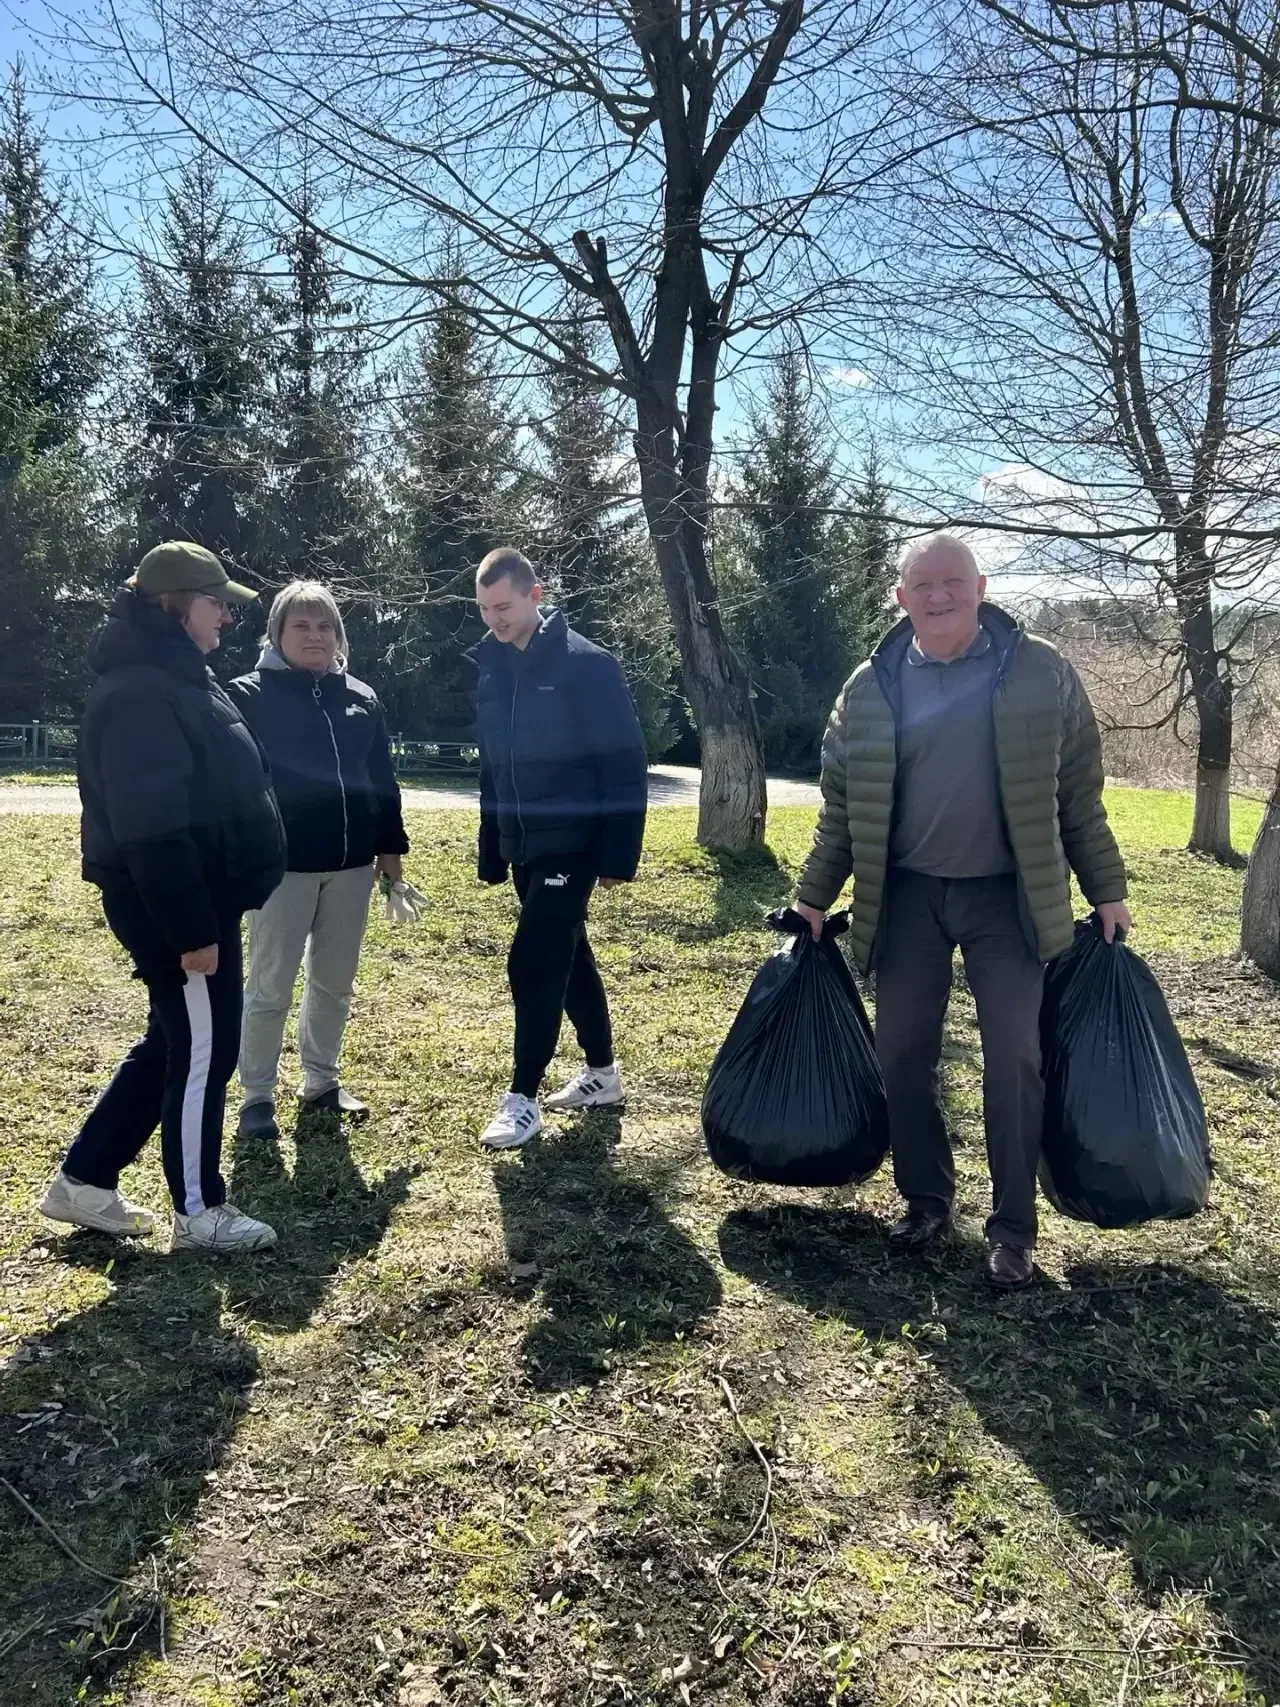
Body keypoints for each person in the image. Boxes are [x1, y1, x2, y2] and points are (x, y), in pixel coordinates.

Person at [795, 533, 1131, 1289]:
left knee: (1014, 1057)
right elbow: (841, 810)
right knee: (901, 1053)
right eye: (923, 584)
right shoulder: (870, 686)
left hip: (1008, 897)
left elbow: (1079, 795)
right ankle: (926, 1200)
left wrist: (1106, 888)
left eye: (953, 581)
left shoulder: (1041, 670)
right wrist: (813, 897)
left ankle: (1012, 1229)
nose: (939, 595)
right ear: (901, 597)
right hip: (907, 895)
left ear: (980, 587)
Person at [39, 542, 286, 1253]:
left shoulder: (177, 676)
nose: (226, 619)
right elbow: (152, 828)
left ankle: (85, 1181)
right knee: (205, 1048)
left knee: (175, 1040)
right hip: (180, 908)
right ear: (176, 605)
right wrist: (192, 929)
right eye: (216, 604)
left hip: (200, 901)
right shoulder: (142, 694)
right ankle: (200, 1210)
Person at [472, 548, 648, 1149]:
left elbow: (623, 763)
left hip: (573, 843)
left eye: (503, 606)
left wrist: (618, 855)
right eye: (485, 609)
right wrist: (493, 847)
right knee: (570, 955)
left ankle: (523, 1098)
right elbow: (493, 768)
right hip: (524, 843)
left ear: (535, 595)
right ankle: (603, 1074)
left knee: (535, 960)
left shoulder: (587, 665)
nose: (494, 619)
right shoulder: (492, 668)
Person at [227, 581, 411, 1137]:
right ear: (277, 633)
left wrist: (390, 854)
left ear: (339, 635)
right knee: (270, 987)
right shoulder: (246, 696)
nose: (315, 636)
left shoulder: (361, 697)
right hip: (280, 870)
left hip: (351, 868)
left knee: (334, 982)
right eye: (302, 626)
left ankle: (322, 1082)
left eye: (325, 625)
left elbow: (382, 783)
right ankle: (257, 1096)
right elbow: (232, 788)